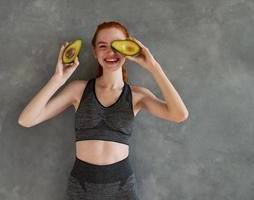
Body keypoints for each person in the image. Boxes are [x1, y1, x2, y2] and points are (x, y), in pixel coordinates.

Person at [18, 21, 189, 200]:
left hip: (122, 188)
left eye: (117, 45)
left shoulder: (138, 96)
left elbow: (179, 114)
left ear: (128, 49)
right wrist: (58, 78)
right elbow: (26, 120)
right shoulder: (78, 90)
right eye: (103, 46)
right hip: (81, 188)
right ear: (95, 52)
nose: (111, 52)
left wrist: (153, 66)